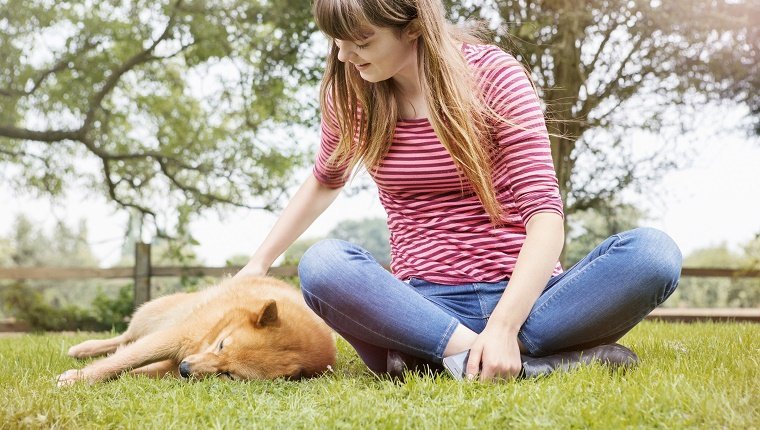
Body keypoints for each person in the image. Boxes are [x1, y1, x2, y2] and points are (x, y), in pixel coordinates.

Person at [233, 0, 682, 382]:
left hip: (530, 300)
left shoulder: (493, 76)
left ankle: (440, 361)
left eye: (363, 41)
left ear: (413, 28)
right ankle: (517, 362)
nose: (345, 54)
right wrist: (258, 262)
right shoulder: (351, 92)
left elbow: (544, 215)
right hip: (424, 306)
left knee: (653, 254)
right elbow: (325, 179)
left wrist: (504, 327)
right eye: (337, 39)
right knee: (324, 264)